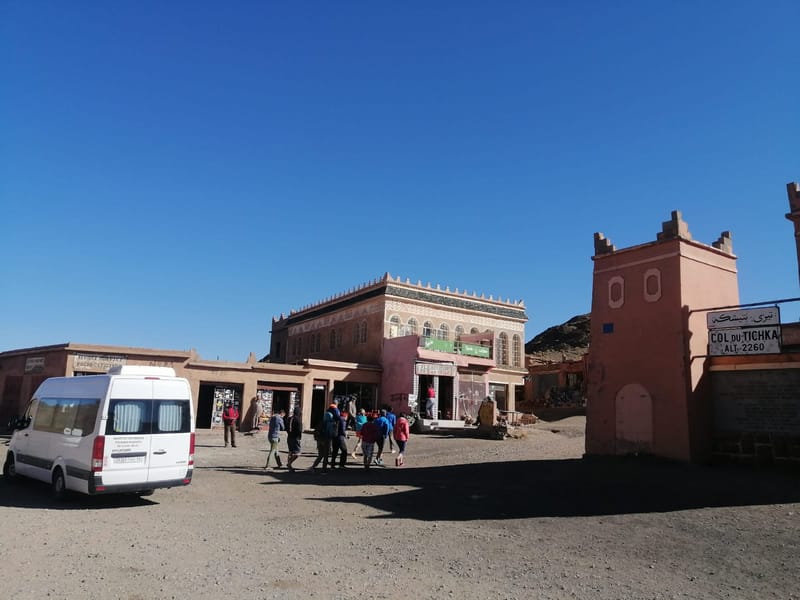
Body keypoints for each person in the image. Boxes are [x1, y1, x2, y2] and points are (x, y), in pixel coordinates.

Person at [311, 404, 337, 472]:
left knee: (320, 455)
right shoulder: (332, 423)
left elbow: (316, 431)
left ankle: (313, 467)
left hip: (319, 441)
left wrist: (317, 439)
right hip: (327, 441)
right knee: (326, 456)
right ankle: (324, 469)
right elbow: (334, 434)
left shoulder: (321, 422)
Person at [286, 407, 303, 472]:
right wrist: (299, 438)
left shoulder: (289, 418)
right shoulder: (298, 420)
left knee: (290, 451)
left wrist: (289, 433)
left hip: (289, 437)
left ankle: (289, 467)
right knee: (297, 453)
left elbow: (286, 428)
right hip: (295, 438)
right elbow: (299, 430)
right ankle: (289, 463)